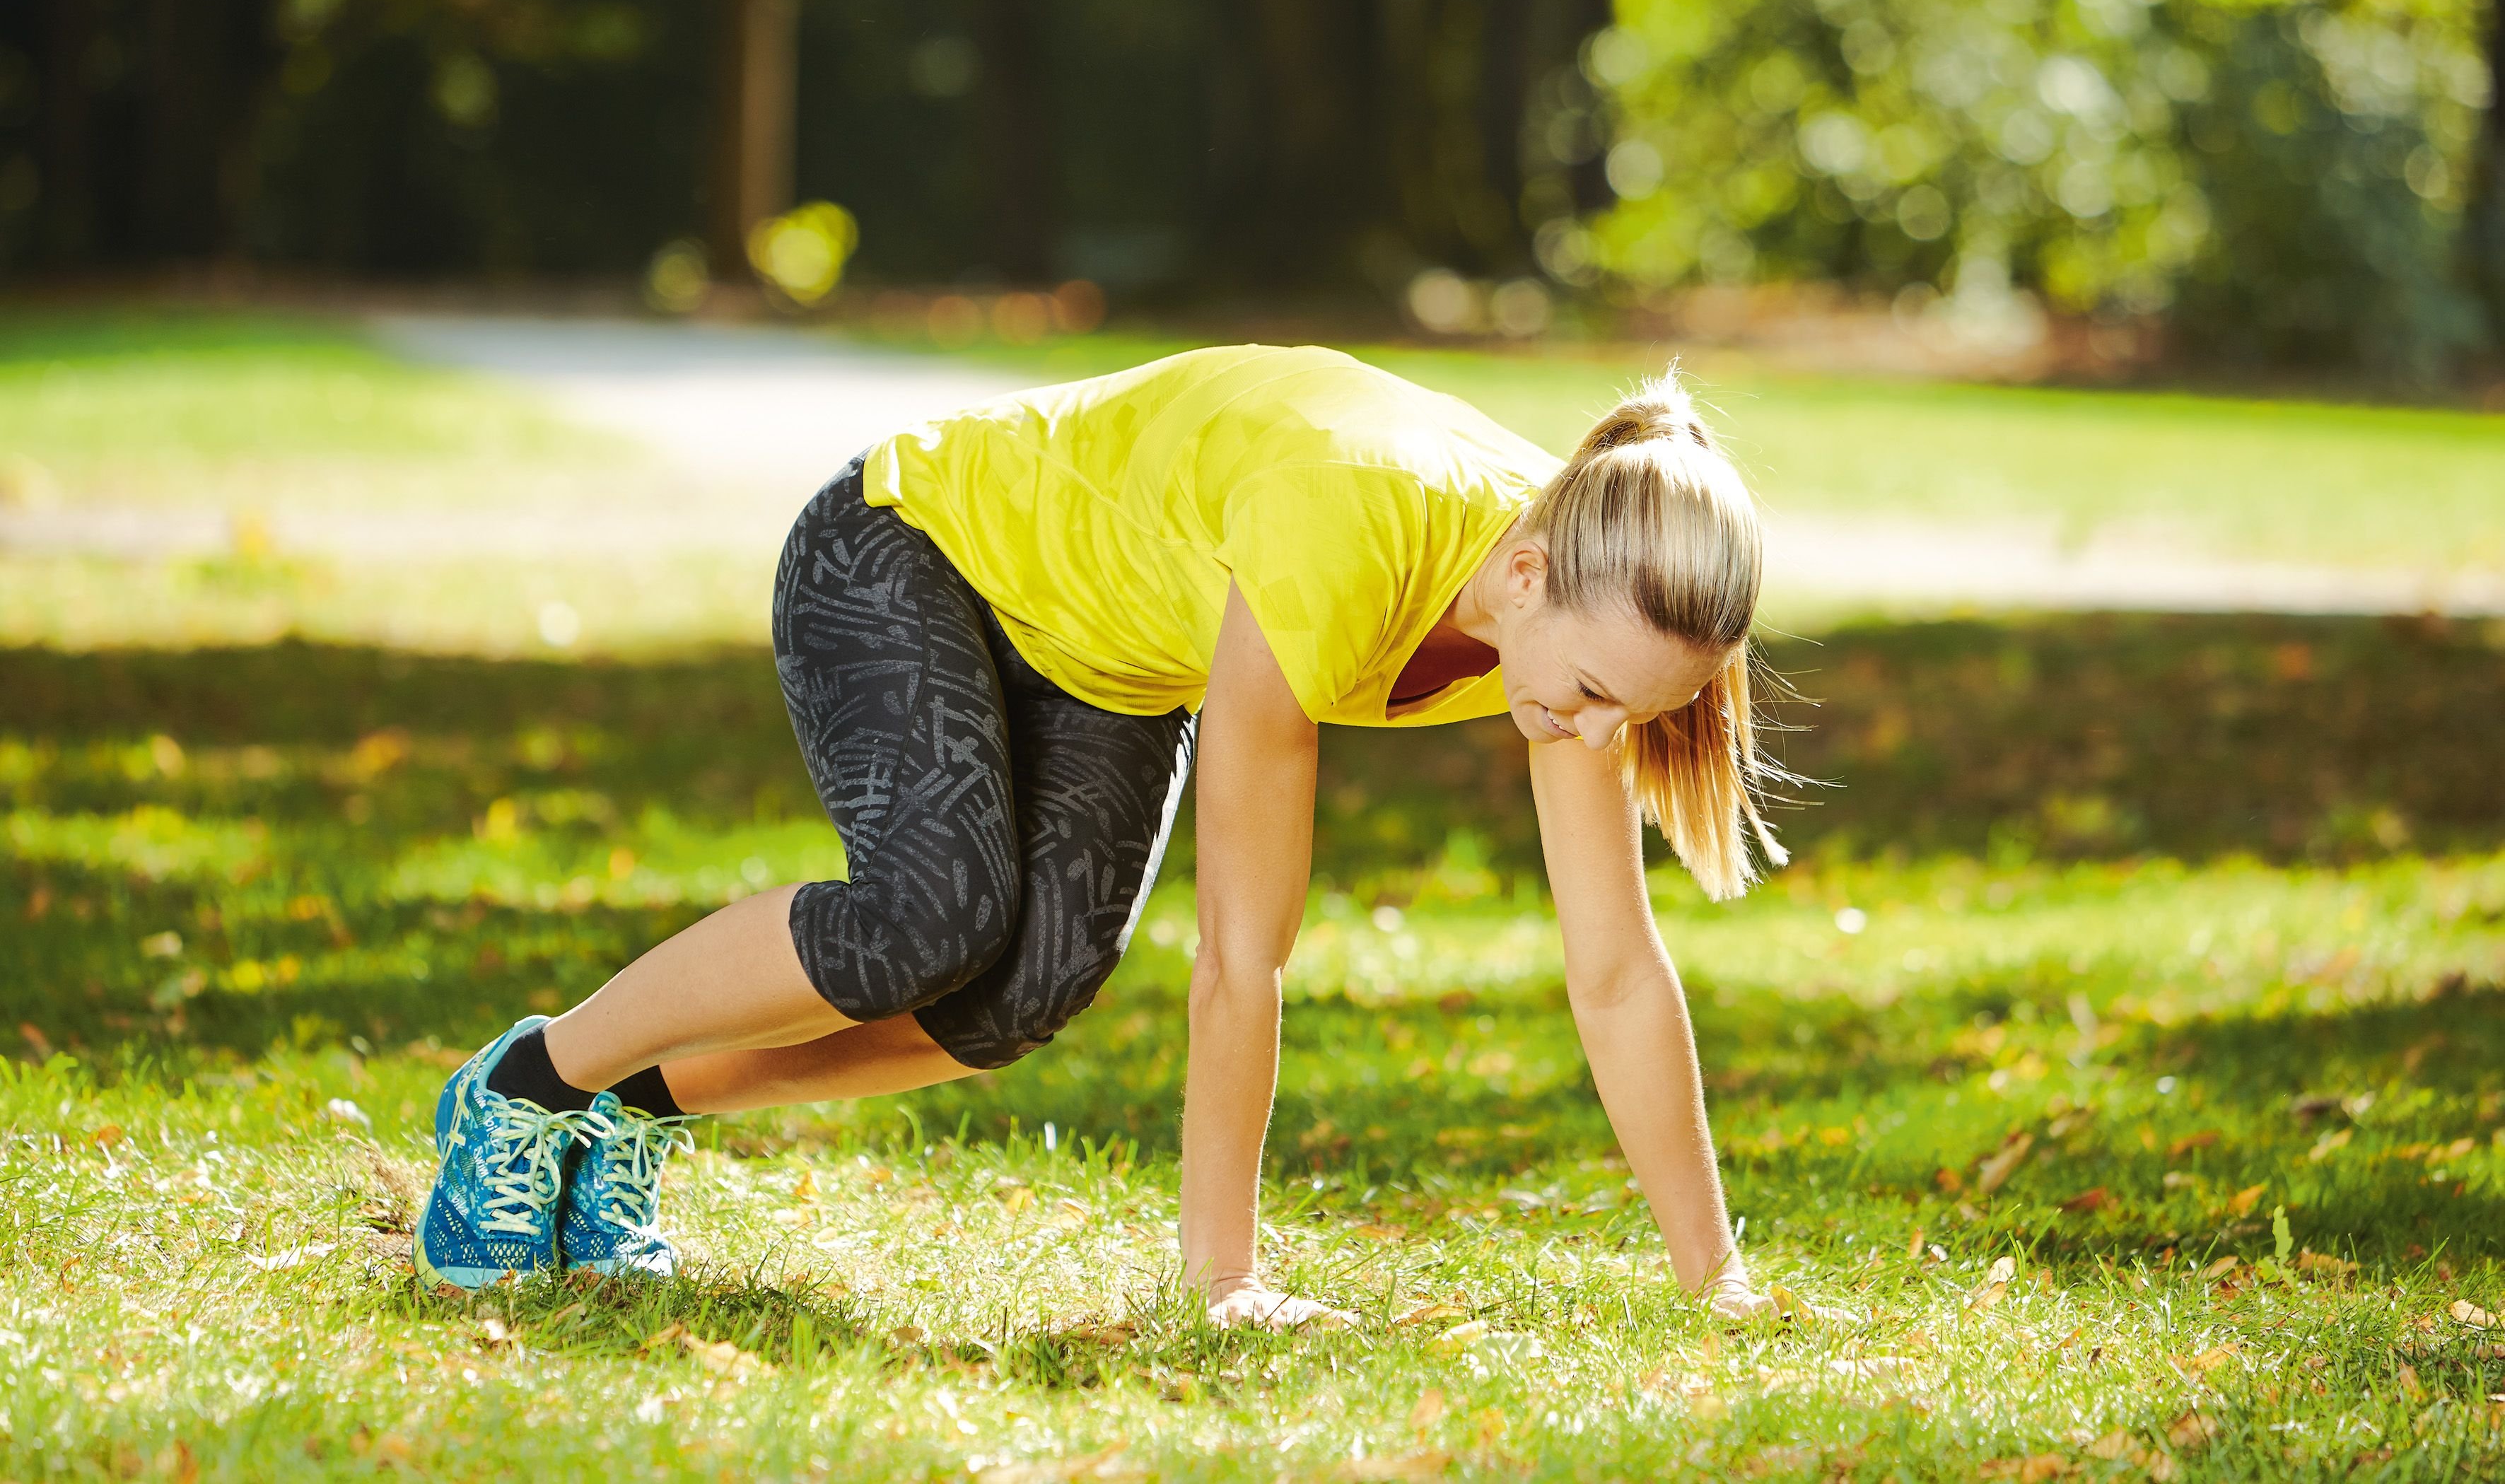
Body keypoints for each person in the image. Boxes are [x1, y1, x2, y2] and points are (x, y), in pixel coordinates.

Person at [415, 342, 1787, 1324]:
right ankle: (527, 1085)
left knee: (1018, 994)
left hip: (1105, 653)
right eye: (1601, 699)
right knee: (930, 913)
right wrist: (1223, 1280)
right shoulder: (1350, 529)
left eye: (1633, 711)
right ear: (1528, 573)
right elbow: (1239, 955)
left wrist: (1713, 1278)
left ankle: (626, 1107)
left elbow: (1612, 969)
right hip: (911, 547)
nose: (1599, 736)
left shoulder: (1571, 615)